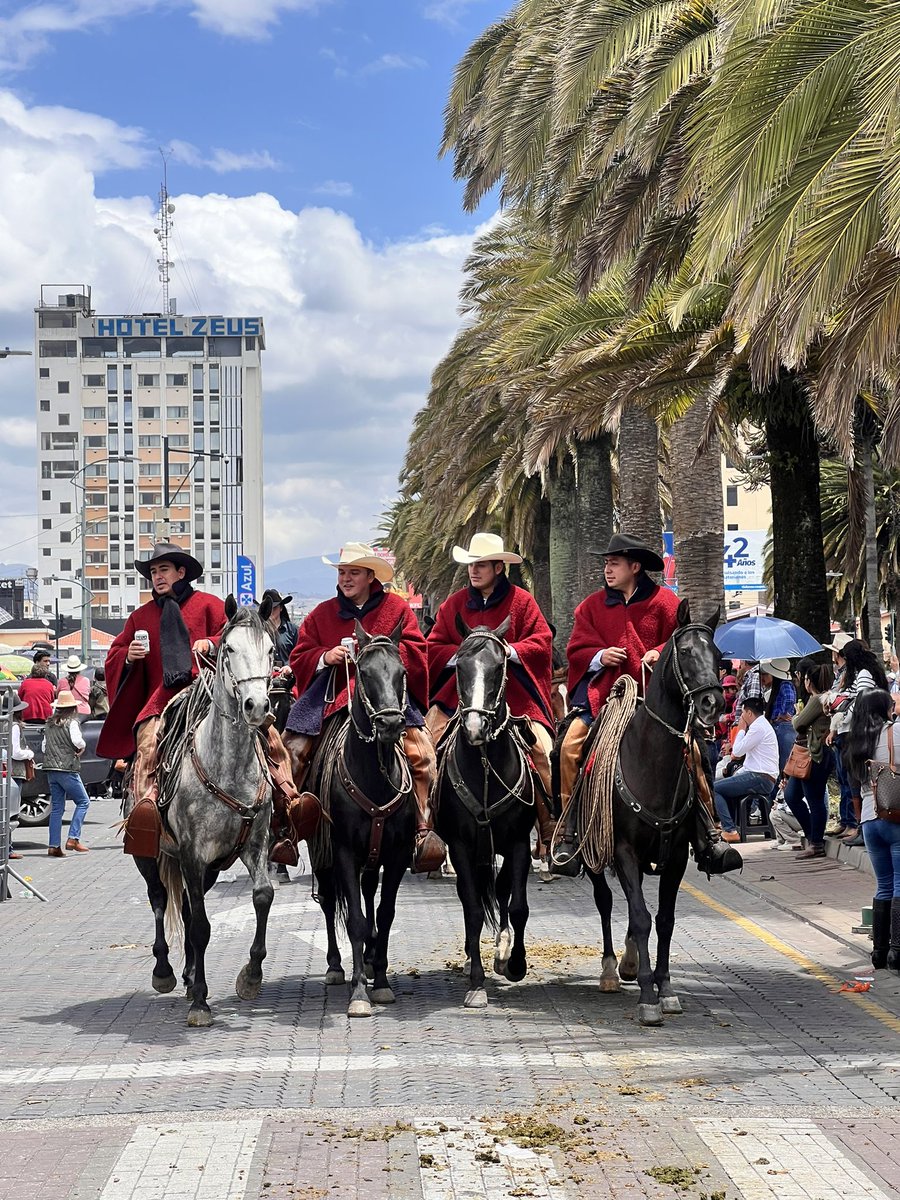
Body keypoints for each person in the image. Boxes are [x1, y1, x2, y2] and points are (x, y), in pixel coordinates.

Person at [557, 532, 738, 873]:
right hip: (607, 699)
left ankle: (709, 832)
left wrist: (660, 650)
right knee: (569, 748)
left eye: (614, 564)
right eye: (606, 564)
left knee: (695, 754)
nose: (608, 570)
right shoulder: (591, 607)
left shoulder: (666, 603)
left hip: (655, 704)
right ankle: (569, 833)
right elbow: (576, 649)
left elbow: (684, 639)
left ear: (634, 567)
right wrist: (598, 656)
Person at [283, 542, 443, 873]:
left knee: (424, 755)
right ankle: (286, 829)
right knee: (293, 751)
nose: (346, 579)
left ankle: (423, 829)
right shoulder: (321, 613)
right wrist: (325, 657)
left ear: (371, 576)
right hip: (332, 697)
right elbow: (300, 655)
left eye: (353, 573)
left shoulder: (397, 609)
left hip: (387, 701)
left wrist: (384, 656)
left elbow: (417, 650)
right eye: (342, 572)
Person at [426, 531, 557, 859]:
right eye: (472, 564)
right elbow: (435, 646)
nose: (475, 570)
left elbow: (542, 641)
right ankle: (425, 826)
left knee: (542, 750)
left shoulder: (523, 602)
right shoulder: (453, 604)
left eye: (482, 564)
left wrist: (507, 651)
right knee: (427, 745)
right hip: (461, 694)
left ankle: (549, 826)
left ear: (500, 567)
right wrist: (468, 654)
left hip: (515, 695)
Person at [98, 542, 228, 821]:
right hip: (160, 700)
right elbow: (114, 655)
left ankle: (281, 805)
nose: (157, 576)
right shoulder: (140, 617)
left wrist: (212, 643)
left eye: (164, 570)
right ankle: (144, 813)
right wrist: (128, 656)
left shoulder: (210, 606)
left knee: (266, 736)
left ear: (181, 573)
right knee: (147, 747)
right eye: (153, 571)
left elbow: (233, 636)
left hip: (208, 694)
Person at [843, 689, 900, 975]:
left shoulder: (857, 740)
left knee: (884, 885)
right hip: (895, 818)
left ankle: (879, 951)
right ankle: (898, 953)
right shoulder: (895, 732)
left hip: (869, 821)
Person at [826, 638, 889, 847]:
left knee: (857, 781)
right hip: (871, 729)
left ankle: (863, 827)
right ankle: (864, 826)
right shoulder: (871, 672)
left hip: (861, 731)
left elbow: (861, 701)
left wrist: (841, 712)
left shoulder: (862, 674)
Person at [783, 662, 835, 858]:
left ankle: (816, 843)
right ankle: (812, 834)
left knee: (813, 799)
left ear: (809, 681)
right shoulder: (823, 697)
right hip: (809, 755)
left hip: (815, 756)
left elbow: (797, 723)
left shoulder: (817, 700)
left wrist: (797, 713)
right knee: (792, 795)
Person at [713, 696, 779, 841]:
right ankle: (729, 826)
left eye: (742, 713)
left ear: (749, 713)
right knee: (725, 786)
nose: (741, 717)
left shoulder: (757, 727)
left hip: (760, 777)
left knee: (715, 789)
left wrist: (741, 729)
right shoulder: (762, 725)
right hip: (758, 775)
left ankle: (730, 830)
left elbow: (737, 752)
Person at [43, 690, 92, 855]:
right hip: (67, 768)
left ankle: (53, 845)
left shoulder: (48, 724)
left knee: (57, 807)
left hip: (51, 769)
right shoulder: (71, 722)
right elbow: (78, 741)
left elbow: (44, 747)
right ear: (72, 708)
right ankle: (73, 838)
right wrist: (82, 747)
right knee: (83, 801)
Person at [758, 658, 797, 781]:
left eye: (765, 674)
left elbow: (790, 699)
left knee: (782, 764)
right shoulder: (776, 687)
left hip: (783, 727)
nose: (762, 677)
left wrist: (783, 713)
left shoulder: (785, 684)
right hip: (779, 726)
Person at [6, 694, 34, 858]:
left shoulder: (4, 724)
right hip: (15, 770)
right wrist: (29, 753)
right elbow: (15, 752)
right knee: (12, 812)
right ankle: (8, 848)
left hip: (7, 770)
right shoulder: (14, 727)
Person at [262, 588, 299, 669]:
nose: (270, 611)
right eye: (267, 608)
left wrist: (289, 667)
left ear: (281, 608)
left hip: (289, 678)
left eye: (274, 608)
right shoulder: (257, 632)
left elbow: (300, 654)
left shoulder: (293, 630)